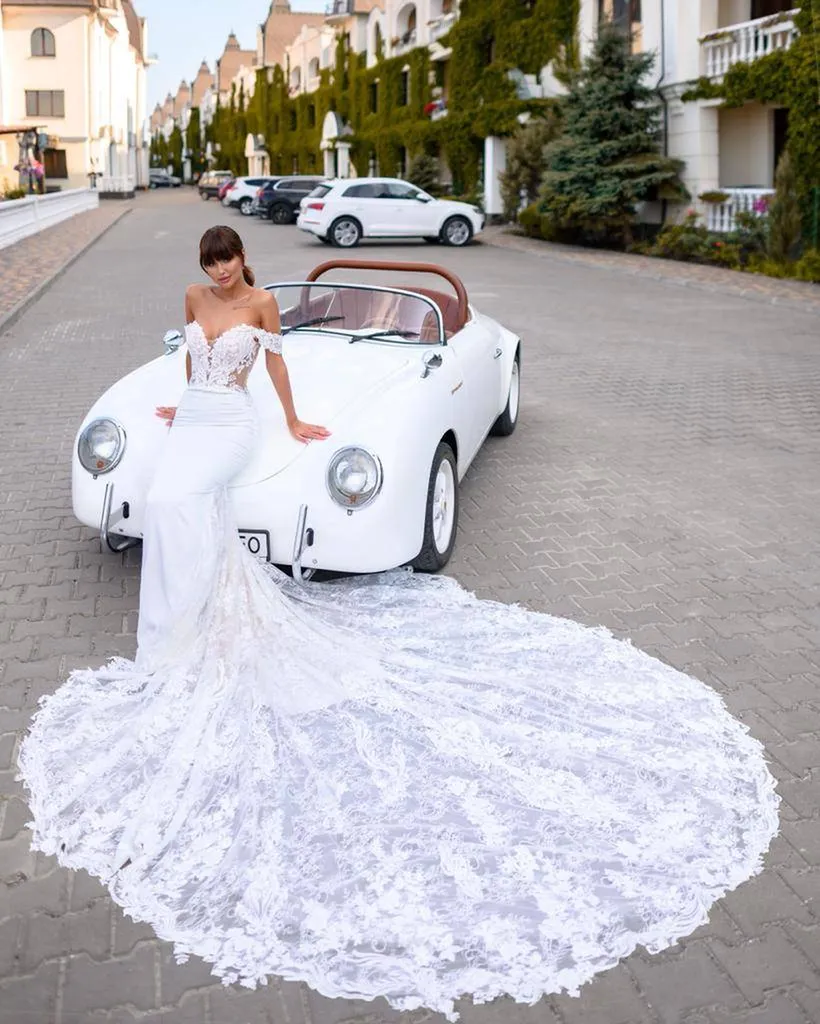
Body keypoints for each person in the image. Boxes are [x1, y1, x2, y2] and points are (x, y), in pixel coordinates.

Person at [19, 226, 779, 1022]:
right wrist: (182, 397)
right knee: (175, 501)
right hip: (203, 418)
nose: (220, 270)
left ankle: (195, 610)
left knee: (192, 497)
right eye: (210, 261)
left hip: (242, 422)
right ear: (205, 268)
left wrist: (299, 420)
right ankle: (180, 620)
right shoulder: (203, 303)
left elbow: (279, 368)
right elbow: (210, 356)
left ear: (243, 260)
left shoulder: (368, 321)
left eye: (228, 259)